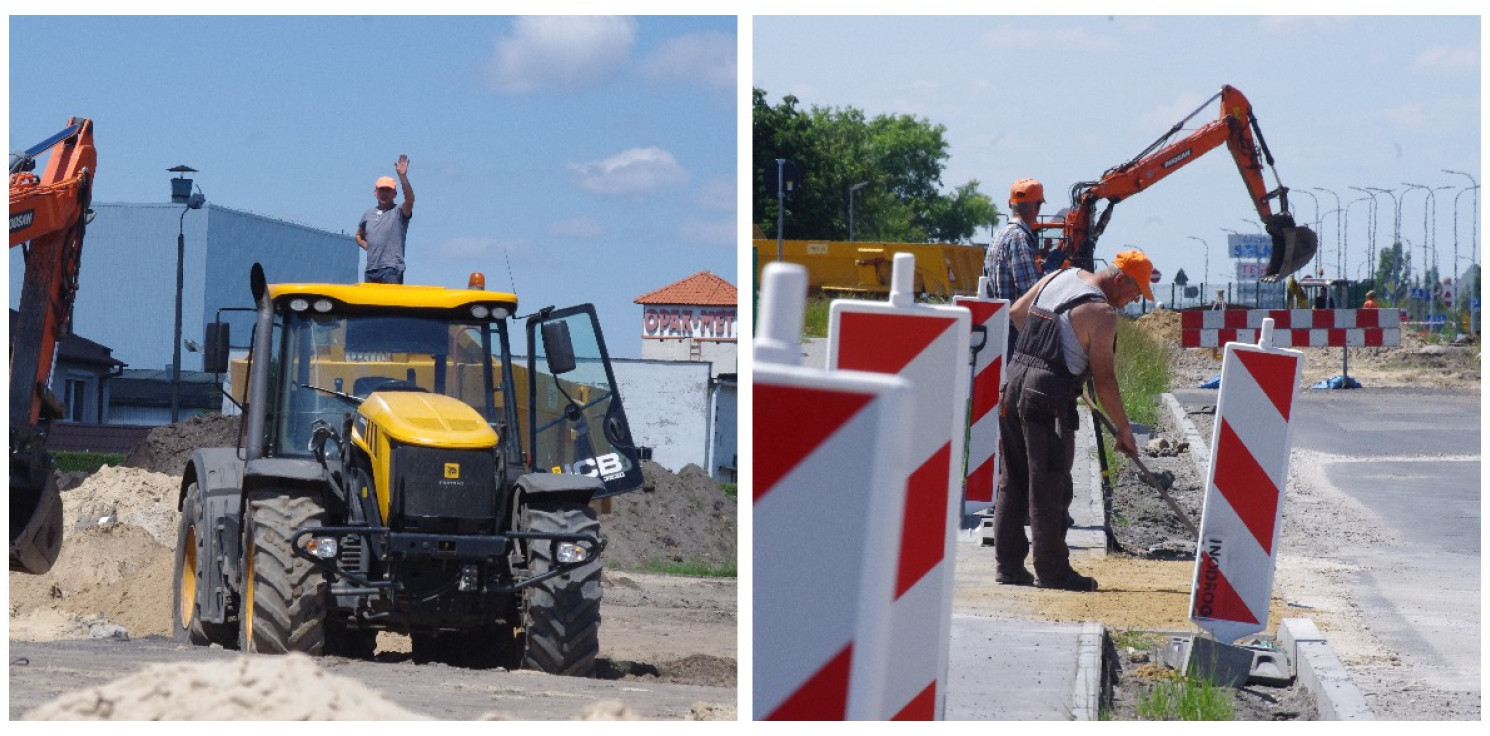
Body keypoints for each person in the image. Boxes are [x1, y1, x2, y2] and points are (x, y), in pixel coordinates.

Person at [992, 250, 1153, 592]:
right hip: (1046, 398)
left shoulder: (1060, 276)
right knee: (1050, 484)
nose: (1133, 301)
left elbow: (1017, 313)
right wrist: (1124, 428)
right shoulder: (1101, 313)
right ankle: (1052, 572)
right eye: (1136, 292)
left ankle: (1008, 566)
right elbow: (1104, 379)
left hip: (1014, 382)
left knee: (1014, 478)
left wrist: (1042, 358)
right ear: (1120, 279)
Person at [984, 178, 1046, 352]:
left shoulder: (998, 236)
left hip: (997, 326)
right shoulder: (1019, 238)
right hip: (1015, 333)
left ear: (1010, 204)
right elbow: (1031, 291)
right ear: (1037, 207)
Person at [357, 154, 415, 284]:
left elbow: (410, 200)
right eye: (381, 190)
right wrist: (371, 248)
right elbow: (359, 236)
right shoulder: (368, 214)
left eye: (388, 190)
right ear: (375, 192)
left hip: (391, 268)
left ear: (394, 193)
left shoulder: (399, 211)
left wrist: (403, 177)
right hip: (371, 269)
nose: (384, 193)